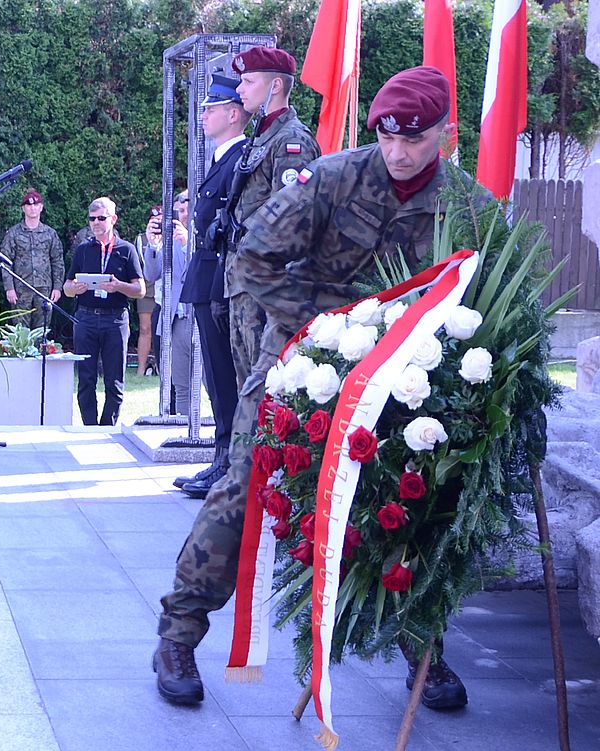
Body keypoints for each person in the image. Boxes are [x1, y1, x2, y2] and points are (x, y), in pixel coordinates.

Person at [152, 66, 473, 712]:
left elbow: (484, 290)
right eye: (387, 136)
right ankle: (178, 635)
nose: (398, 152)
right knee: (245, 485)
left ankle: (422, 648)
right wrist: (321, 328)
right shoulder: (333, 179)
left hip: (402, 377)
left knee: (409, 498)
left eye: (414, 139)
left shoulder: (466, 205)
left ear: (445, 133)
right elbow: (254, 256)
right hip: (299, 360)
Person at [224, 47, 320, 386]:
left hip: (268, 284)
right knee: (246, 386)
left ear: (275, 86)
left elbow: (291, 217)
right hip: (244, 279)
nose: (240, 89)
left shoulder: (291, 140)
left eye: (249, 81)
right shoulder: (261, 136)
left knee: (268, 386)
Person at [176, 73, 250, 500]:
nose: (203, 115)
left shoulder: (240, 158)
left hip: (221, 278)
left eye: (211, 108)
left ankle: (227, 463)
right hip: (208, 276)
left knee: (224, 376)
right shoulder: (225, 158)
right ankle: (222, 457)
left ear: (233, 114)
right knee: (216, 376)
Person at [63, 197, 146, 426]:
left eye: (101, 218)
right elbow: (67, 288)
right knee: (86, 379)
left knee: (114, 380)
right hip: (86, 318)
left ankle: (108, 427)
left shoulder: (126, 250)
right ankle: (89, 428)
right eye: (92, 219)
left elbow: (140, 290)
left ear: (113, 219)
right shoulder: (83, 250)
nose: (96, 223)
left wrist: (119, 286)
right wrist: (75, 288)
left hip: (115, 320)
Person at [142, 190, 192, 416]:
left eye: (186, 210)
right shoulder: (169, 241)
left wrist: (187, 244)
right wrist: (153, 246)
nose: (182, 215)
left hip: (197, 315)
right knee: (177, 383)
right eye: (178, 211)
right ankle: (179, 425)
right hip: (173, 317)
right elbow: (151, 274)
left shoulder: (202, 235)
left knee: (209, 382)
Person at [0, 188, 64, 330]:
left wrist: (57, 287)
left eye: (36, 205)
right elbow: (5, 261)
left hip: (44, 289)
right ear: (23, 208)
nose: (32, 208)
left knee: (42, 329)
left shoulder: (50, 233)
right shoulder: (14, 233)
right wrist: (9, 288)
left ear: (41, 207)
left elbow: (57, 261)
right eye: (28, 205)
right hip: (21, 289)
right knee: (21, 330)